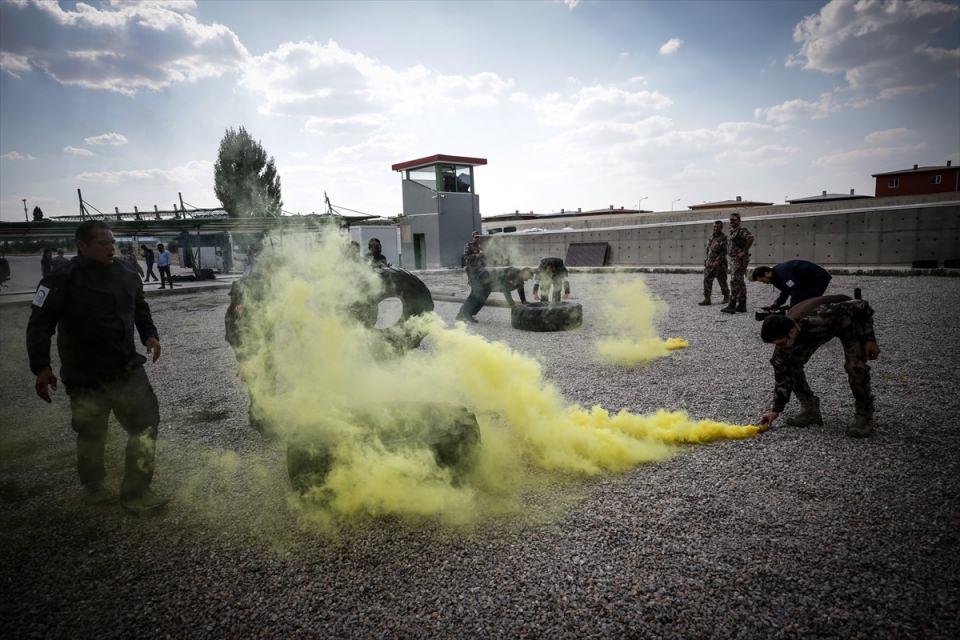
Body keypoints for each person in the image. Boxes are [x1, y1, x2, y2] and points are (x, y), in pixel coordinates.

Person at [26, 220, 168, 513]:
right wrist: (41, 366)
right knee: (92, 433)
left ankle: (136, 492)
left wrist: (150, 335)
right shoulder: (60, 279)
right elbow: (39, 325)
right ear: (82, 246)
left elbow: (140, 307)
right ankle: (93, 484)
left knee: (145, 424)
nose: (111, 247)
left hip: (126, 368)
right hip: (85, 375)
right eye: (103, 242)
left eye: (112, 241)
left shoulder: (127, 273)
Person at [758, 296, 879, 437]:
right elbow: (781, 375)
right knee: (788, 362)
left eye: (781, 342)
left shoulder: (823, 315)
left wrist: (870, 339)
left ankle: (864, 414)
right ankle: (810, 410)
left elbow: (862, 305)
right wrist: (776, 410)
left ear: (791, 332)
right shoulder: (787, 334)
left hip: (847, 323)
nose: (779, 347)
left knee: (855, 367)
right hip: (814, 331)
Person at [456, 266, 534, 323]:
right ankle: (463, 315)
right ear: (524, 273)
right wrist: (512, 304)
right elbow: (505, 289)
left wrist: (523, 301)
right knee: (474, 297)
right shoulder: (512, 272)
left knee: (481, 299)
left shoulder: (520, 279)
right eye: (528, 277)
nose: (527, 279)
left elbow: (520, 289)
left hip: (489, 285)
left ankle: (466, 314)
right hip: (483, 278)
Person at [751, 260, 831, 309]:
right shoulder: (775, 278)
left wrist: (793, 309)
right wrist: (777, 303)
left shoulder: (783, 273)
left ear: (767, 273)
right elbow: (785, 290)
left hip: (818, 277)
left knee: (810, 300)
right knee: (804, 301)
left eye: (762, 280)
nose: (764, 283)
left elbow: (795, 290)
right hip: (807, 281)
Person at [721, 212, 754, 314]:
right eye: (730, 220)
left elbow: (751, 238)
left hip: (740, 260)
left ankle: (732, 305)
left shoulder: (741, 231)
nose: (732, 222)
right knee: (740, 282)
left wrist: (744, 251)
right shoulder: (732, 231)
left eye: (734, 220)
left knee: (735, 281)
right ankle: (742, 305)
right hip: (734, 260)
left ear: (739, 221)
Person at [700, 221, 730, 306]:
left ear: (721, 227)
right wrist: (706, 260)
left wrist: (717, 261)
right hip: (710, 263)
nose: (716, 228)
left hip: (720, 264)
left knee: (722, 280)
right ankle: (707, 299)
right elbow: (708, 250)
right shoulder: (711, 237)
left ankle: (726, 297)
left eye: (718, 227)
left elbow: (724, 251)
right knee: (707, 280)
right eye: (714, 227)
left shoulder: (724, 238)